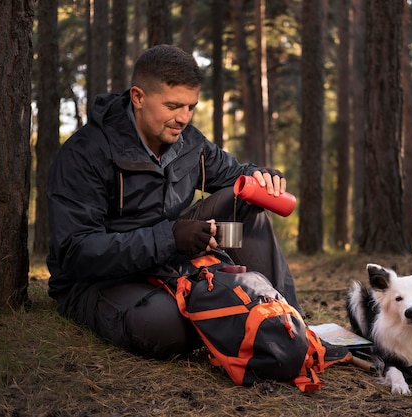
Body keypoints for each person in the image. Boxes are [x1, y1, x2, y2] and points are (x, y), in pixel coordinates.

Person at [46, 44, 303, 359]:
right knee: (168, 327)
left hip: (169, 259)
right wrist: (168, 238)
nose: (183, 118)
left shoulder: (188, 142)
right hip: (98, 282)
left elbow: (234, 174)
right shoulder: (85, 153)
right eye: (172, 106)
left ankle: (288, 322)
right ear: (138, 97)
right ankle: (233, 318)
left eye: (191, 106)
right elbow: (75, 252)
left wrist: (260, 175)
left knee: (246, 199)